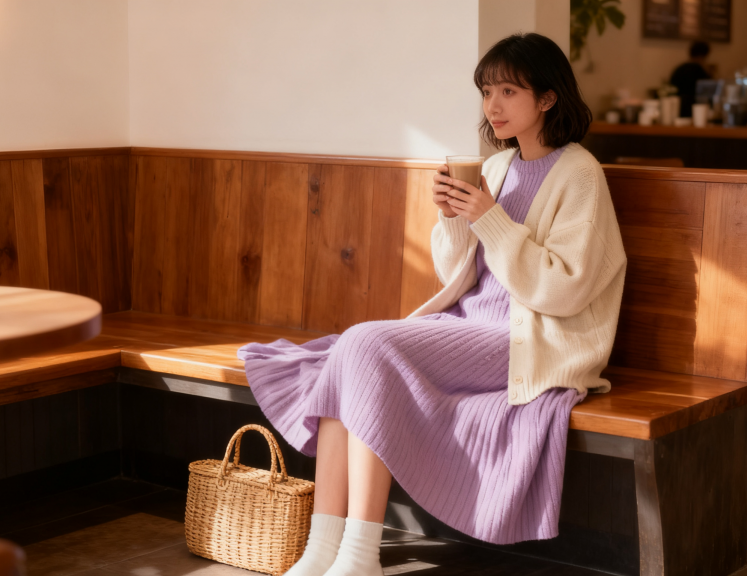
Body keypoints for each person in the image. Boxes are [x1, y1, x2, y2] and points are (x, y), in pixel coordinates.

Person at [238, 32, 626, 576]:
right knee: (353, 353)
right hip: (472, 325)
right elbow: (458, 275)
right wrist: (452, 218)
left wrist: (489, 219)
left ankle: (357, 554)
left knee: (364, 344)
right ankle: (323, 549)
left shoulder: (580, 173)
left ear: (547, 98)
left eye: (509, 92)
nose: (493, 106)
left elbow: (564, 290)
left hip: (527, 339)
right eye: (487, 91)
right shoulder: (495, 168)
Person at [670, 40, 713, 117]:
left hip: (677, 112)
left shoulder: (679, 69)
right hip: (696, 113)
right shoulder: (700, 71)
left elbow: (671, 89)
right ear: (704, 56)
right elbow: (708, 93)